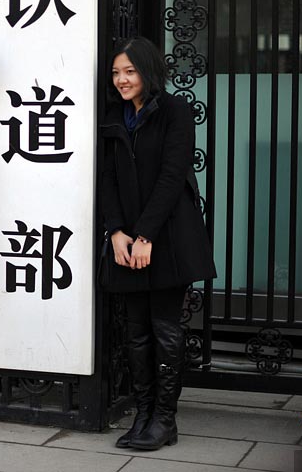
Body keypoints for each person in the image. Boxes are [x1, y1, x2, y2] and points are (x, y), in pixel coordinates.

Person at [99, 36, 216, 451]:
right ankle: (144, 414)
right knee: (136, 332)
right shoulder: (114, 116)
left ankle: (165, 420)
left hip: (167, 237)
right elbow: (107, 179)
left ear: (148, 72)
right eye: (116, 73)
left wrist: (146, 234)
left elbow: (172, 176)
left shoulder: (175, 111)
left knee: (165, 329)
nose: (121, 80)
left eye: (129, 71)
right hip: (126, 239)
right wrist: (116, 232)